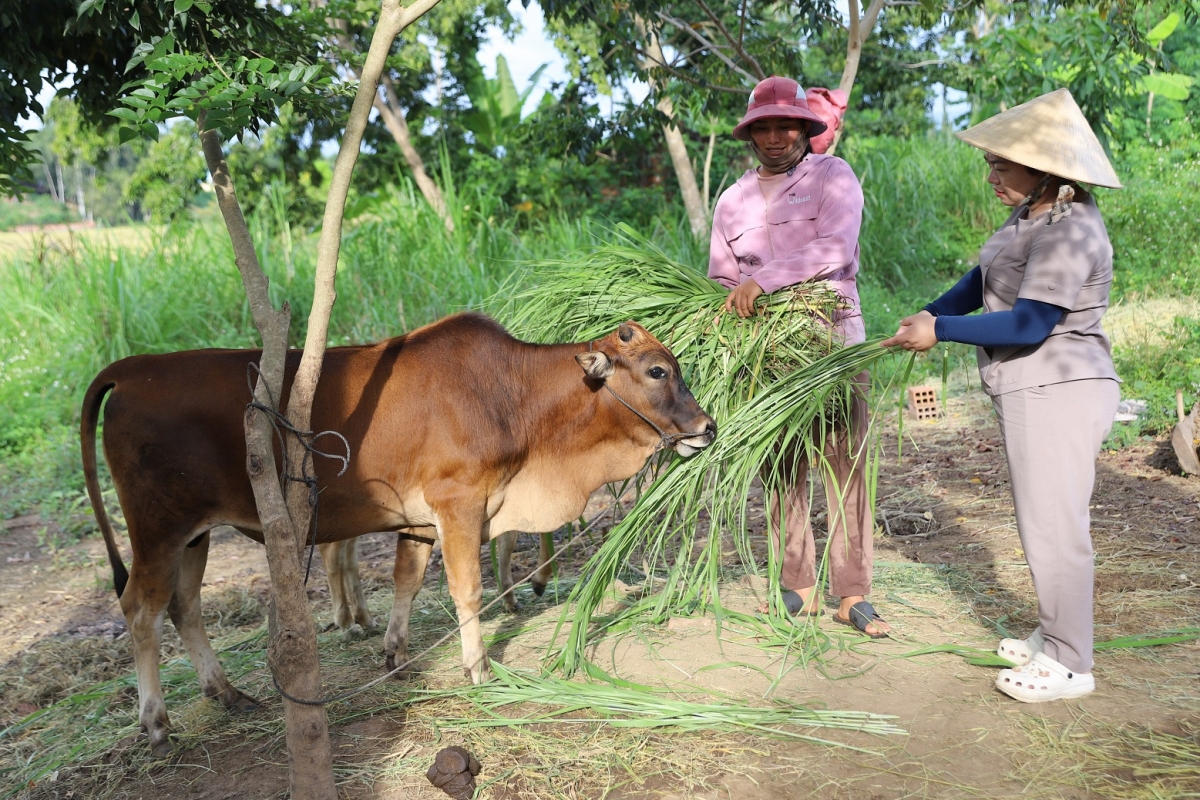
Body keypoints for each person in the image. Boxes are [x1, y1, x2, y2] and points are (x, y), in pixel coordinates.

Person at [882, 88, 1122, 702]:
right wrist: (926, 314)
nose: (991, 174)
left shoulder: (1071, 228)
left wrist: (943, 331)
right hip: (1033, 387)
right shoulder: (1031, 215)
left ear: (1044, 169)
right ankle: (1055, 633)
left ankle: (1071, 664)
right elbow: (980, 281)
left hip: (1061, 386)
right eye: (990, 162)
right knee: (1040, 519)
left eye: (1000, 163)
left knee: (1054, 527)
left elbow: (1029, 322)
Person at [709, 75, 889, 638]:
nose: (775, 136)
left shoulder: (832, 177)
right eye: (763, 127)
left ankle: (852, 591)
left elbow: (836, 247)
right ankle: (799, 586)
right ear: (750, 133)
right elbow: (720, 278)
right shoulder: (731, 201)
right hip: (766, 356)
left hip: (830, 341)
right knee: (783, 467)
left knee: (845, 465)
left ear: (805, 127)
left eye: (786, 125)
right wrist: (729, 312)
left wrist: (763, 283)